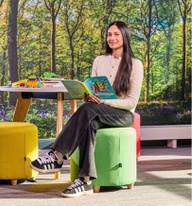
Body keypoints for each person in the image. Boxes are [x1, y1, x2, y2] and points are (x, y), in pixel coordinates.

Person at [29, 21, 143, 198]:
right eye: (109, 34)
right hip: (98, 110)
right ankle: (85, 181)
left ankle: (57, 156)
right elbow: (94, 89)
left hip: (123, 114)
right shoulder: (99, 60)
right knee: (89, 122)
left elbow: (131, 102)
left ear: (125, 36)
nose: (111, 38)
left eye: (116, 34)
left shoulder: (135, 64)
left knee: (89, 110)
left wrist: (104, 102)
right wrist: (90, 96)